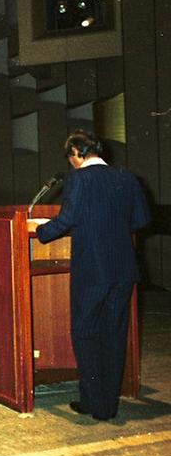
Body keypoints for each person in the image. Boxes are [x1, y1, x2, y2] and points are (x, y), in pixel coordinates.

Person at [36, 129, 150, 421]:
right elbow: (141, 219)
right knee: (113, 334)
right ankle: (107, 404)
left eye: (70, 157)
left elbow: (67, 218)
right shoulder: (128, 177)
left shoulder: (79, 178)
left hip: (92, 270)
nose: (71, 163)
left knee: (85, 333)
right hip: (124, 269)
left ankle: (94, 403)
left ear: (77, 152)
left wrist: (41, 232)